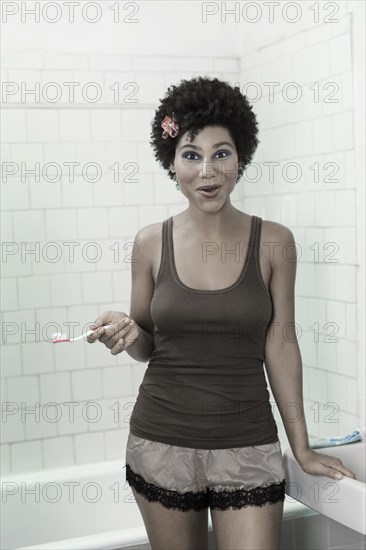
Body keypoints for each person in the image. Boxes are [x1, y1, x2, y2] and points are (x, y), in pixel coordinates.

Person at [87, 76, 356, 550]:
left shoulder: (274, 241)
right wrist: (128, 335)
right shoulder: (150, 243)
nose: (207, 171)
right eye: (191, 155)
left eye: (221, 153)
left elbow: (282, 342)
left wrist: (302, 448)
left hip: (248, 443)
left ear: (241, 158)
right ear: (171, 163)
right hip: (161, 440)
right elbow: (148, 345)